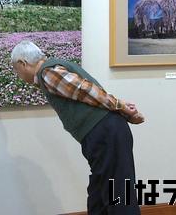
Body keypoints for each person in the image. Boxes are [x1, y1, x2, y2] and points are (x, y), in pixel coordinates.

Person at [10, 40, 145, 215]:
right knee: (99, 198)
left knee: (118, 195)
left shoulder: (48, 72)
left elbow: (85, 90)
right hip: (104, 134)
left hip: (105, 134)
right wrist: (122, 109)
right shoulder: (51, 70)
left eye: (16, 69)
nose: (18, 74)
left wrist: (120, 106)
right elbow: (91, 93)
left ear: (23, 63)